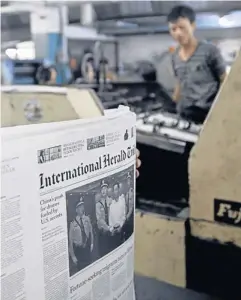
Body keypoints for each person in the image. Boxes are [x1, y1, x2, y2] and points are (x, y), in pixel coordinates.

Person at [168, 5, 227, 124]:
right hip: (185, 114)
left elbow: (225, 81)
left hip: (208, 115)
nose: (178, 33)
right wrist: (171, 104)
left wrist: (222, 109)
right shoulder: (174, 56)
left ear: (193, 26)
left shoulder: (209, 51)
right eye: (173, 29)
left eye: (182, 28)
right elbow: (179, 83)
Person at [69, 198, 94, 273]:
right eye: (79, 207)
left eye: (82, 207)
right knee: (81, 270)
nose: (81, 209)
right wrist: (73, 256)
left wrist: (92, 243)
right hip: (78, 250)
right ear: (76, 210)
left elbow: (91, 231)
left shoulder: (87, 219)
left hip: (87, 248)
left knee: (89, 268)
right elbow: (70, 241)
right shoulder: (72, 223)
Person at [96, 180, 113, 257]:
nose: (103, 191)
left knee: (111, 250)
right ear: (100, 191)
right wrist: (108, 228)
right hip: (103, 232)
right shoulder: (98, 204)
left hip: (110, 230)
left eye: (105, 188)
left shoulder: (110, 201)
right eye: (102, 189)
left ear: (107, 190)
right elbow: (99, 219)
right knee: (103, 252)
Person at [109, 182, 126, 249]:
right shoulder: (111, 204)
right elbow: (110, 220)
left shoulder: (123, 200)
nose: (115, 191)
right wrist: (111, 230)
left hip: (121, 231)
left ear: (118, 190)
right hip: (113, 233)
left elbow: (124, 216)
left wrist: (120, 227)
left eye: (116, 189)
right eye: (114, 190)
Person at [124, 173, 134, 240]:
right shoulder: (126, 193)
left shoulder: (132, 191)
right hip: (127, 215)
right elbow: (126, 205)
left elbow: (131, 205)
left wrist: (127, 216)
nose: (128, 182)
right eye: (127, 180)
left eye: (129, 180)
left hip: (130, 215)